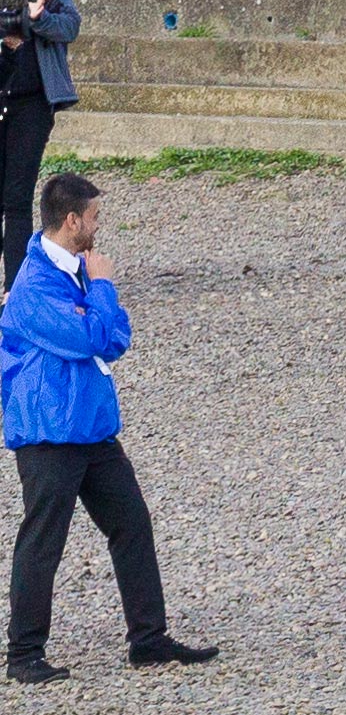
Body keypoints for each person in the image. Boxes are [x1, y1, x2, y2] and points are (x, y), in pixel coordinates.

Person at [2, 174, 219, 685]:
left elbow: (115, 337)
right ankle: (22, 654)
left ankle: (148, 640)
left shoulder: (74, 271)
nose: (100, 226)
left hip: (90, 426)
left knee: (131, 525)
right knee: (42, 541)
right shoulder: (34, 287)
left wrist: (97, 301)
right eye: (95, 217)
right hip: (50, 430)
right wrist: (102, 288)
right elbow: (94, 336)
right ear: (73, 220)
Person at [0, 0, 80, 289]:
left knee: (17, 198)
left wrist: (40, 18)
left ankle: (15, 290)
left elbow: (71, 26)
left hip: (31, 100)